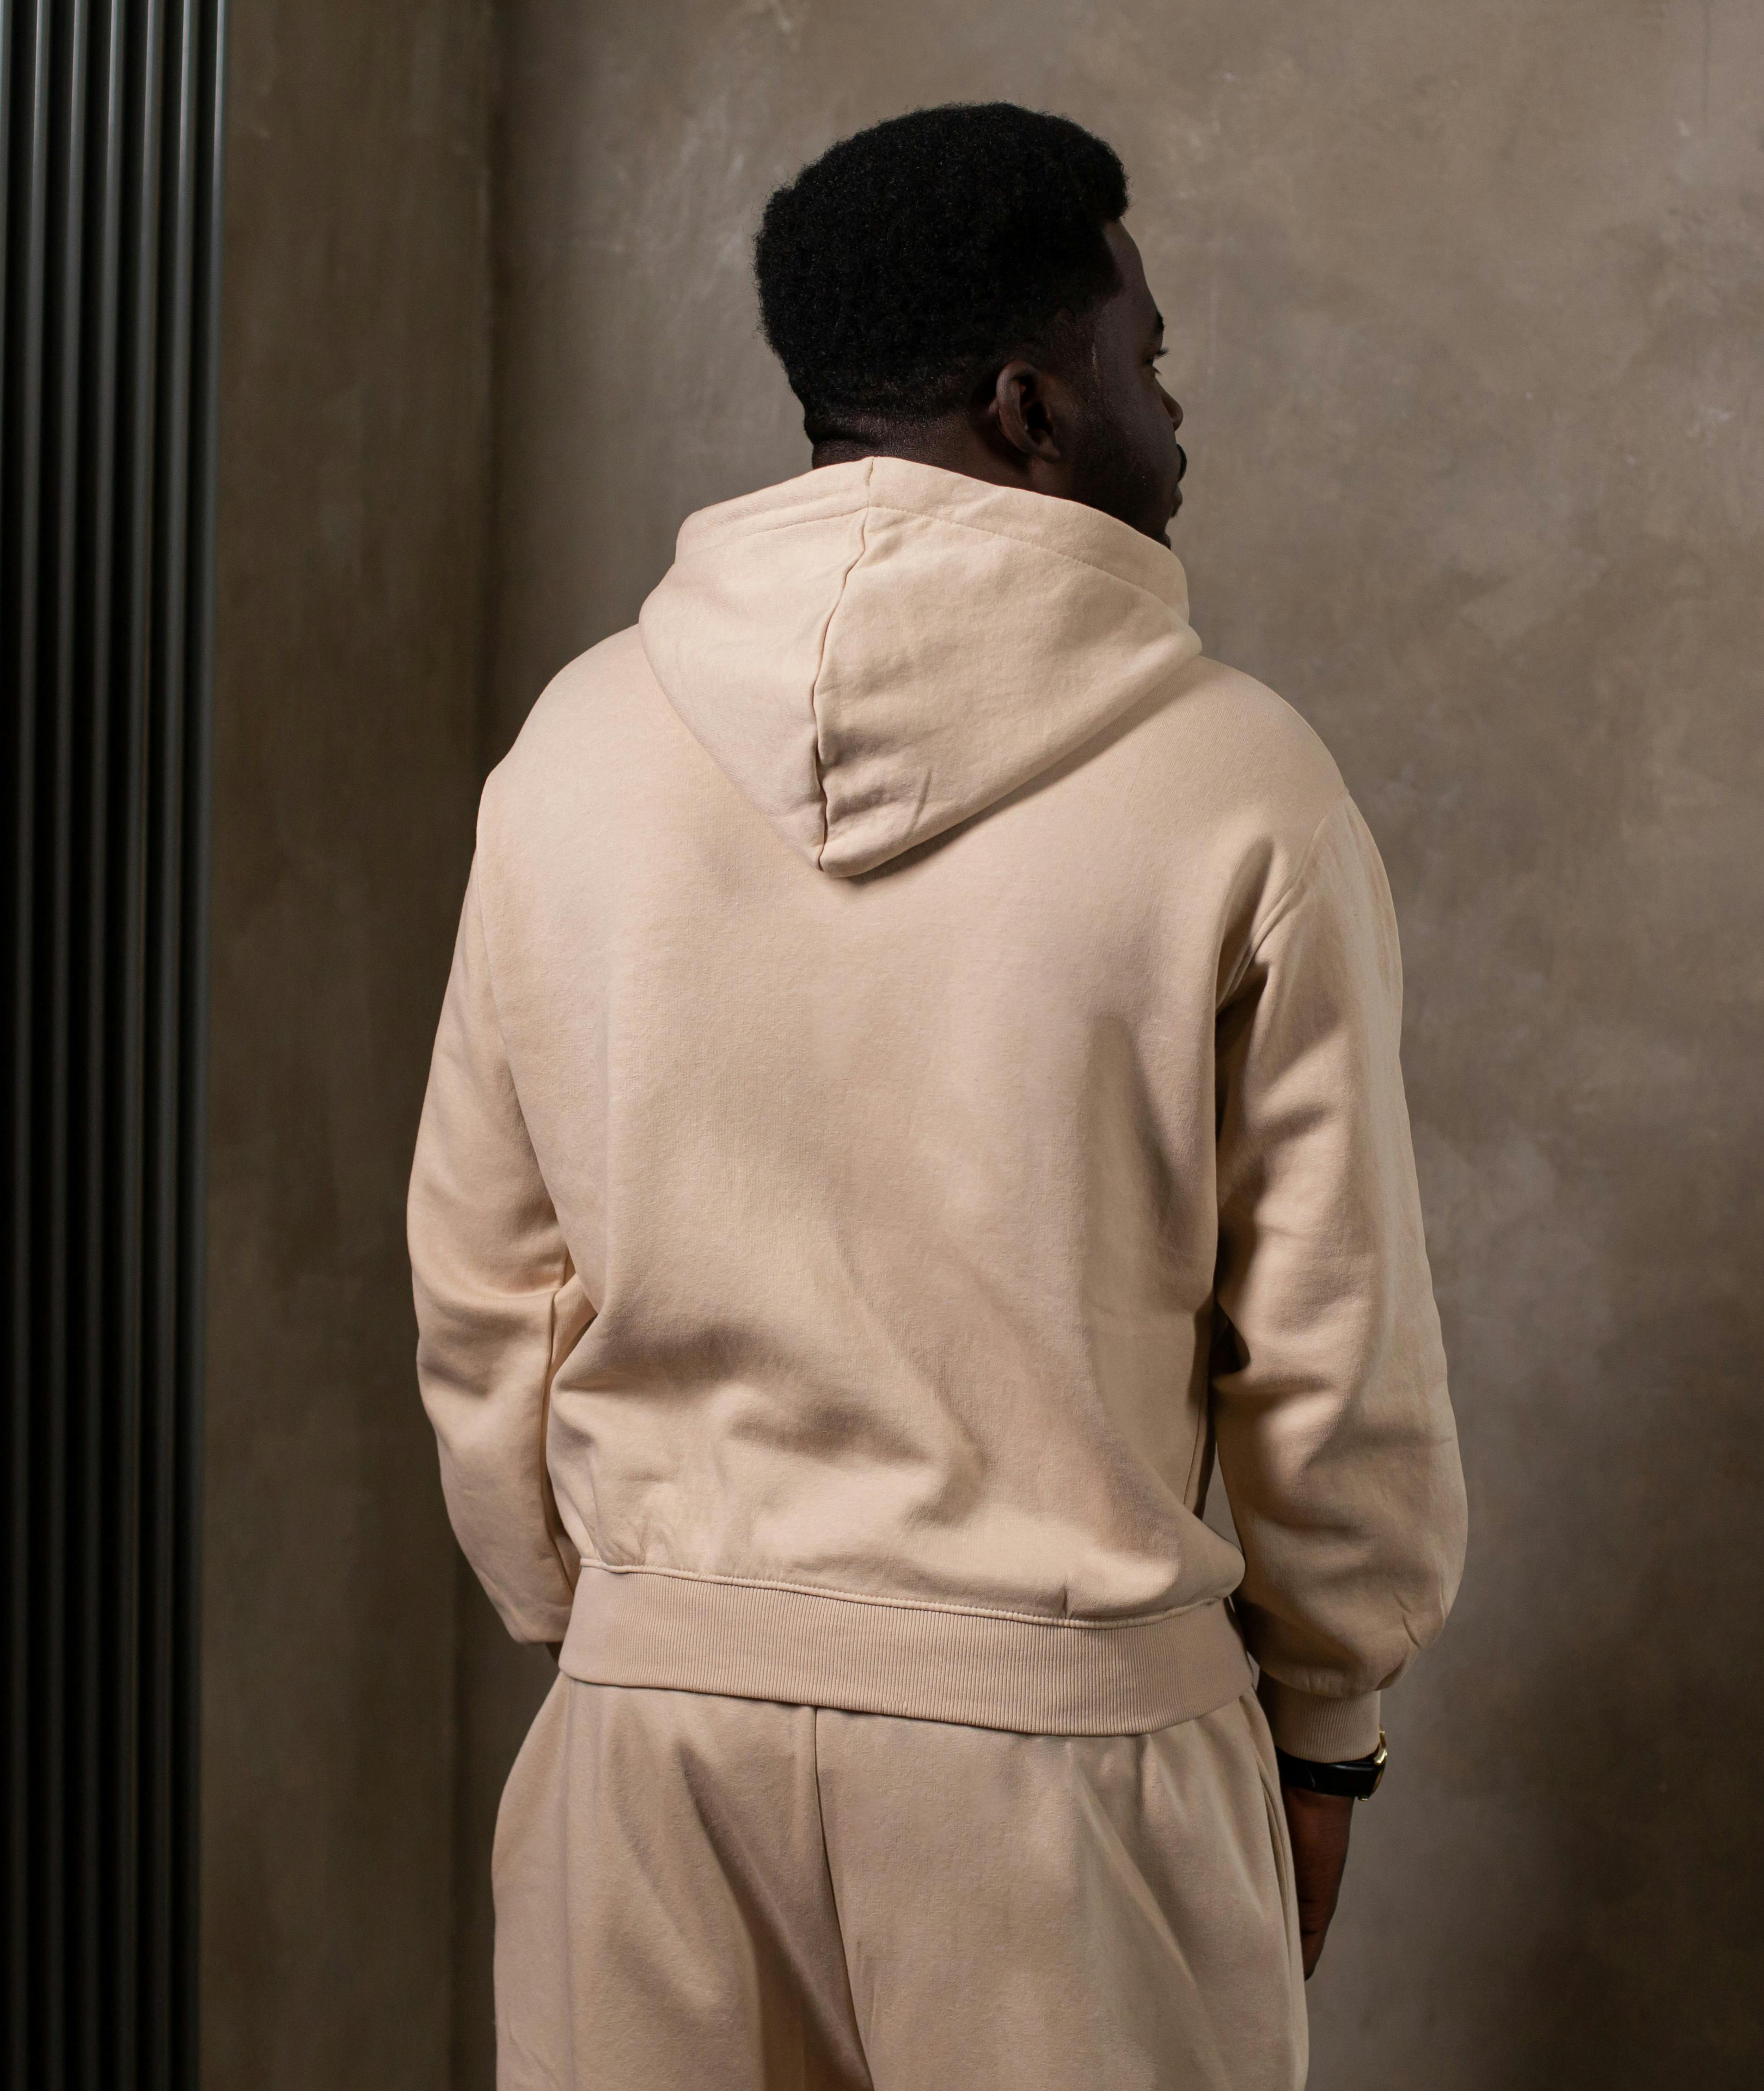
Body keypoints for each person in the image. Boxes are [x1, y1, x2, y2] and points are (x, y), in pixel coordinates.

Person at [409, 101, 1466, 2090]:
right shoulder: (1242, 790)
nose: (1174, 409)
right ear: (1032, 405)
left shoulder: (570, 753)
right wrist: (1331, 1723)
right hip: (1062, 1772)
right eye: (1144, 356)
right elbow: (1335, 1348)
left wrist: (632, 1625)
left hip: (651, 1750)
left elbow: (485, 1279)